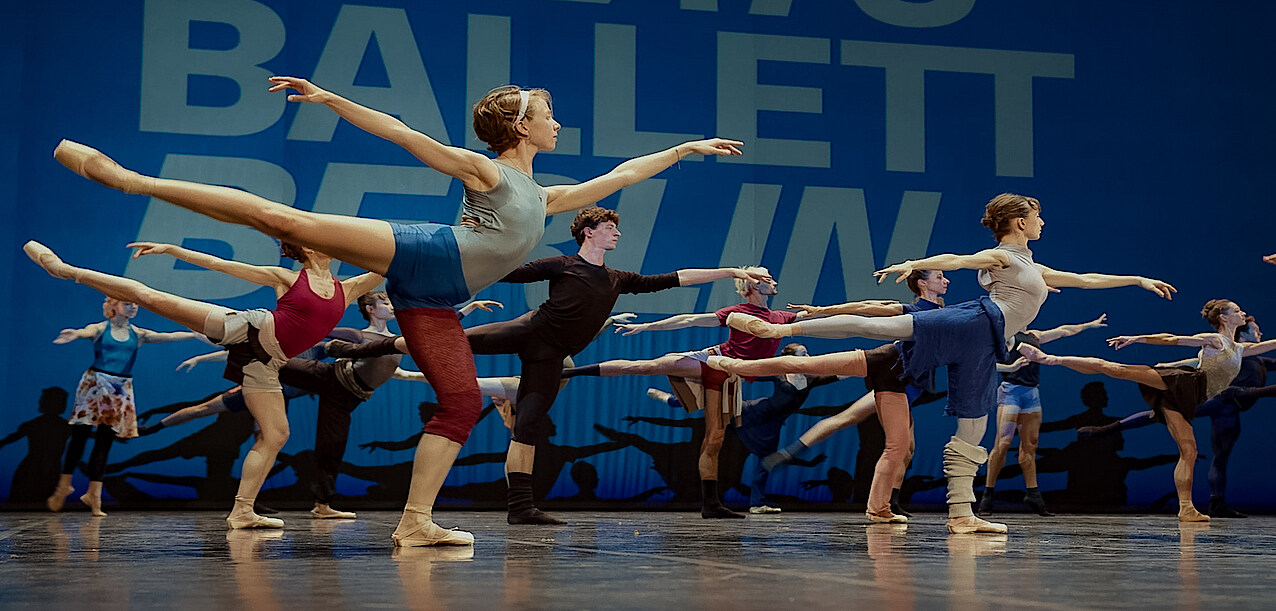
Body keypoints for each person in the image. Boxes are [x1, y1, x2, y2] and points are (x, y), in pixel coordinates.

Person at [52, 76, 741, 546]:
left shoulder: (546, 195)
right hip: (423, 252)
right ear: (521, 125)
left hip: (434, 298)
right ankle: (126, 177)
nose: (558, 122)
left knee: (463, 401)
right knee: (285, 218)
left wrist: (685, 149)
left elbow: (620, 176)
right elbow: (404, 135)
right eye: (548, 114)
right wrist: (330, 99)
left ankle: (415, 521)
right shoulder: (490, 171)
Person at [709, 194, 1175, 533]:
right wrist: (914, 262)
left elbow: (1085, 279)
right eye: (1036, 216)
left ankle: (962, 513)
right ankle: (780, 331)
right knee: (889, 329)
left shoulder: (1033, 265)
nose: (1042, 223)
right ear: (1017, 220)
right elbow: (959, 258)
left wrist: (1136, 278)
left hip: (987, 343)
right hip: (977, 322)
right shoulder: (1003, 256)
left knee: (974, 426)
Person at [329, 207, 762, 524]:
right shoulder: (563, 265)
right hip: (528, 331)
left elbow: (677, 277)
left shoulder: (618, 279)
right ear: (589, 233)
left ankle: (520, 507)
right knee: (452, 340)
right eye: (610, 228)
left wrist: (731, 272)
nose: (616, 234)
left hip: (549, 356)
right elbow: (510, 271)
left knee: (529, 425)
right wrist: (466, 254)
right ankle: (365, 348)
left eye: (616, 229)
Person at [25, 240, 382, 527]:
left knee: (276, 434)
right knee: (149, 297)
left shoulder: (347, 288)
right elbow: (222, 265)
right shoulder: (287, 277)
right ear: (307, 248)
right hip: (247, 327)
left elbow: (390, 263)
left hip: (267, 363)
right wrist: (174, 251)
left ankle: (242, 511)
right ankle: (65, 270)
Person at [155, 295, 499, 519]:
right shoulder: (354, 334)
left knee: (331, 445)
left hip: (349, 396)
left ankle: (322, 506)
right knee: (270, 362)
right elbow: (295, 341)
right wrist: (206, 355)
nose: (391, 306)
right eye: (384, 303)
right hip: (330, 376)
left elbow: (439, 324)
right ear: (370, 309)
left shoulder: (401, 336)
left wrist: (468, 309)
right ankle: (229, 342)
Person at [559, 268, 804, 518]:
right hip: (713, 361)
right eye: (766, 278)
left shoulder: (779, 317)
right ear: (752, 284)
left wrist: (839, 311)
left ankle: (710, 504)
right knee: (647, 366)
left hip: (729, 378)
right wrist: (647, 327)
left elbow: (816, 320)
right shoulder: (736, 312)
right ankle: (567, 373)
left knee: (715, 439)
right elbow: (689, 319)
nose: (774, 281)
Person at [1020, 299, 1276, 521]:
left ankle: (1186, 509)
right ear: (1224, 317)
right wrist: (1137, 338)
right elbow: (1172, 339)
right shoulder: (1216, 340)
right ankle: (1049, 359)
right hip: (1182, 383)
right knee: (1117, 369)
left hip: (1190, 398)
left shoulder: (1241, 348)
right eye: (1238, 311)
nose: (1242, 314)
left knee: (1189, 451)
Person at [764, 269, 950, 521]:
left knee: (905, 449)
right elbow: (864, 309)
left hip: (913, 384)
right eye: (939, 277)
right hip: (897, 378)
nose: (946, 281)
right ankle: (794, 451)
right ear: (922, 283)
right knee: (866, 427)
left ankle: (891, 501)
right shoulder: (908, 311)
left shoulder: (942, 313)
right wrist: (820, 310)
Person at [44, 296, 204, 516]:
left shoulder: (138, 334)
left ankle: (94, 494)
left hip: (119, 390)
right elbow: (87, 331)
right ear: (114, 306)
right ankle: (64, 485)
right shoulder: (101, 328)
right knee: (80, 436)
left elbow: (166, 336)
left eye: (134, 304)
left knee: (104, 442)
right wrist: (76, 334)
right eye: (128, 303)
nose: (133, 307)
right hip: (95, 385)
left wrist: (194, 334)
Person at [645, 342, 844, 513]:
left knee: (766, 462)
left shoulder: (811, 381)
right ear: (791, 359)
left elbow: (839, 374)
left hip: (771, 425)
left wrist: (861, 362)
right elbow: (749, 372)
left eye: (808, 354)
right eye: (803, 354)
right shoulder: (779, 373)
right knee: (718, 400)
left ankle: (757, 504)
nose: (808, 357)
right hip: (754, 411)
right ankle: (673, 400)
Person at [977, 314, 1108, 517]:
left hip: (1031, 394)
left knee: (1030, 444)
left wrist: (1089, 324)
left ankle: (1033, 494)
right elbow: (986, 363)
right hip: (1011, 391)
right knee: (1003, 443)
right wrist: (1011, 368)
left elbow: (1064, 330)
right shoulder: (1008, 335)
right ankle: (988, 495)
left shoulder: (1035, 335)